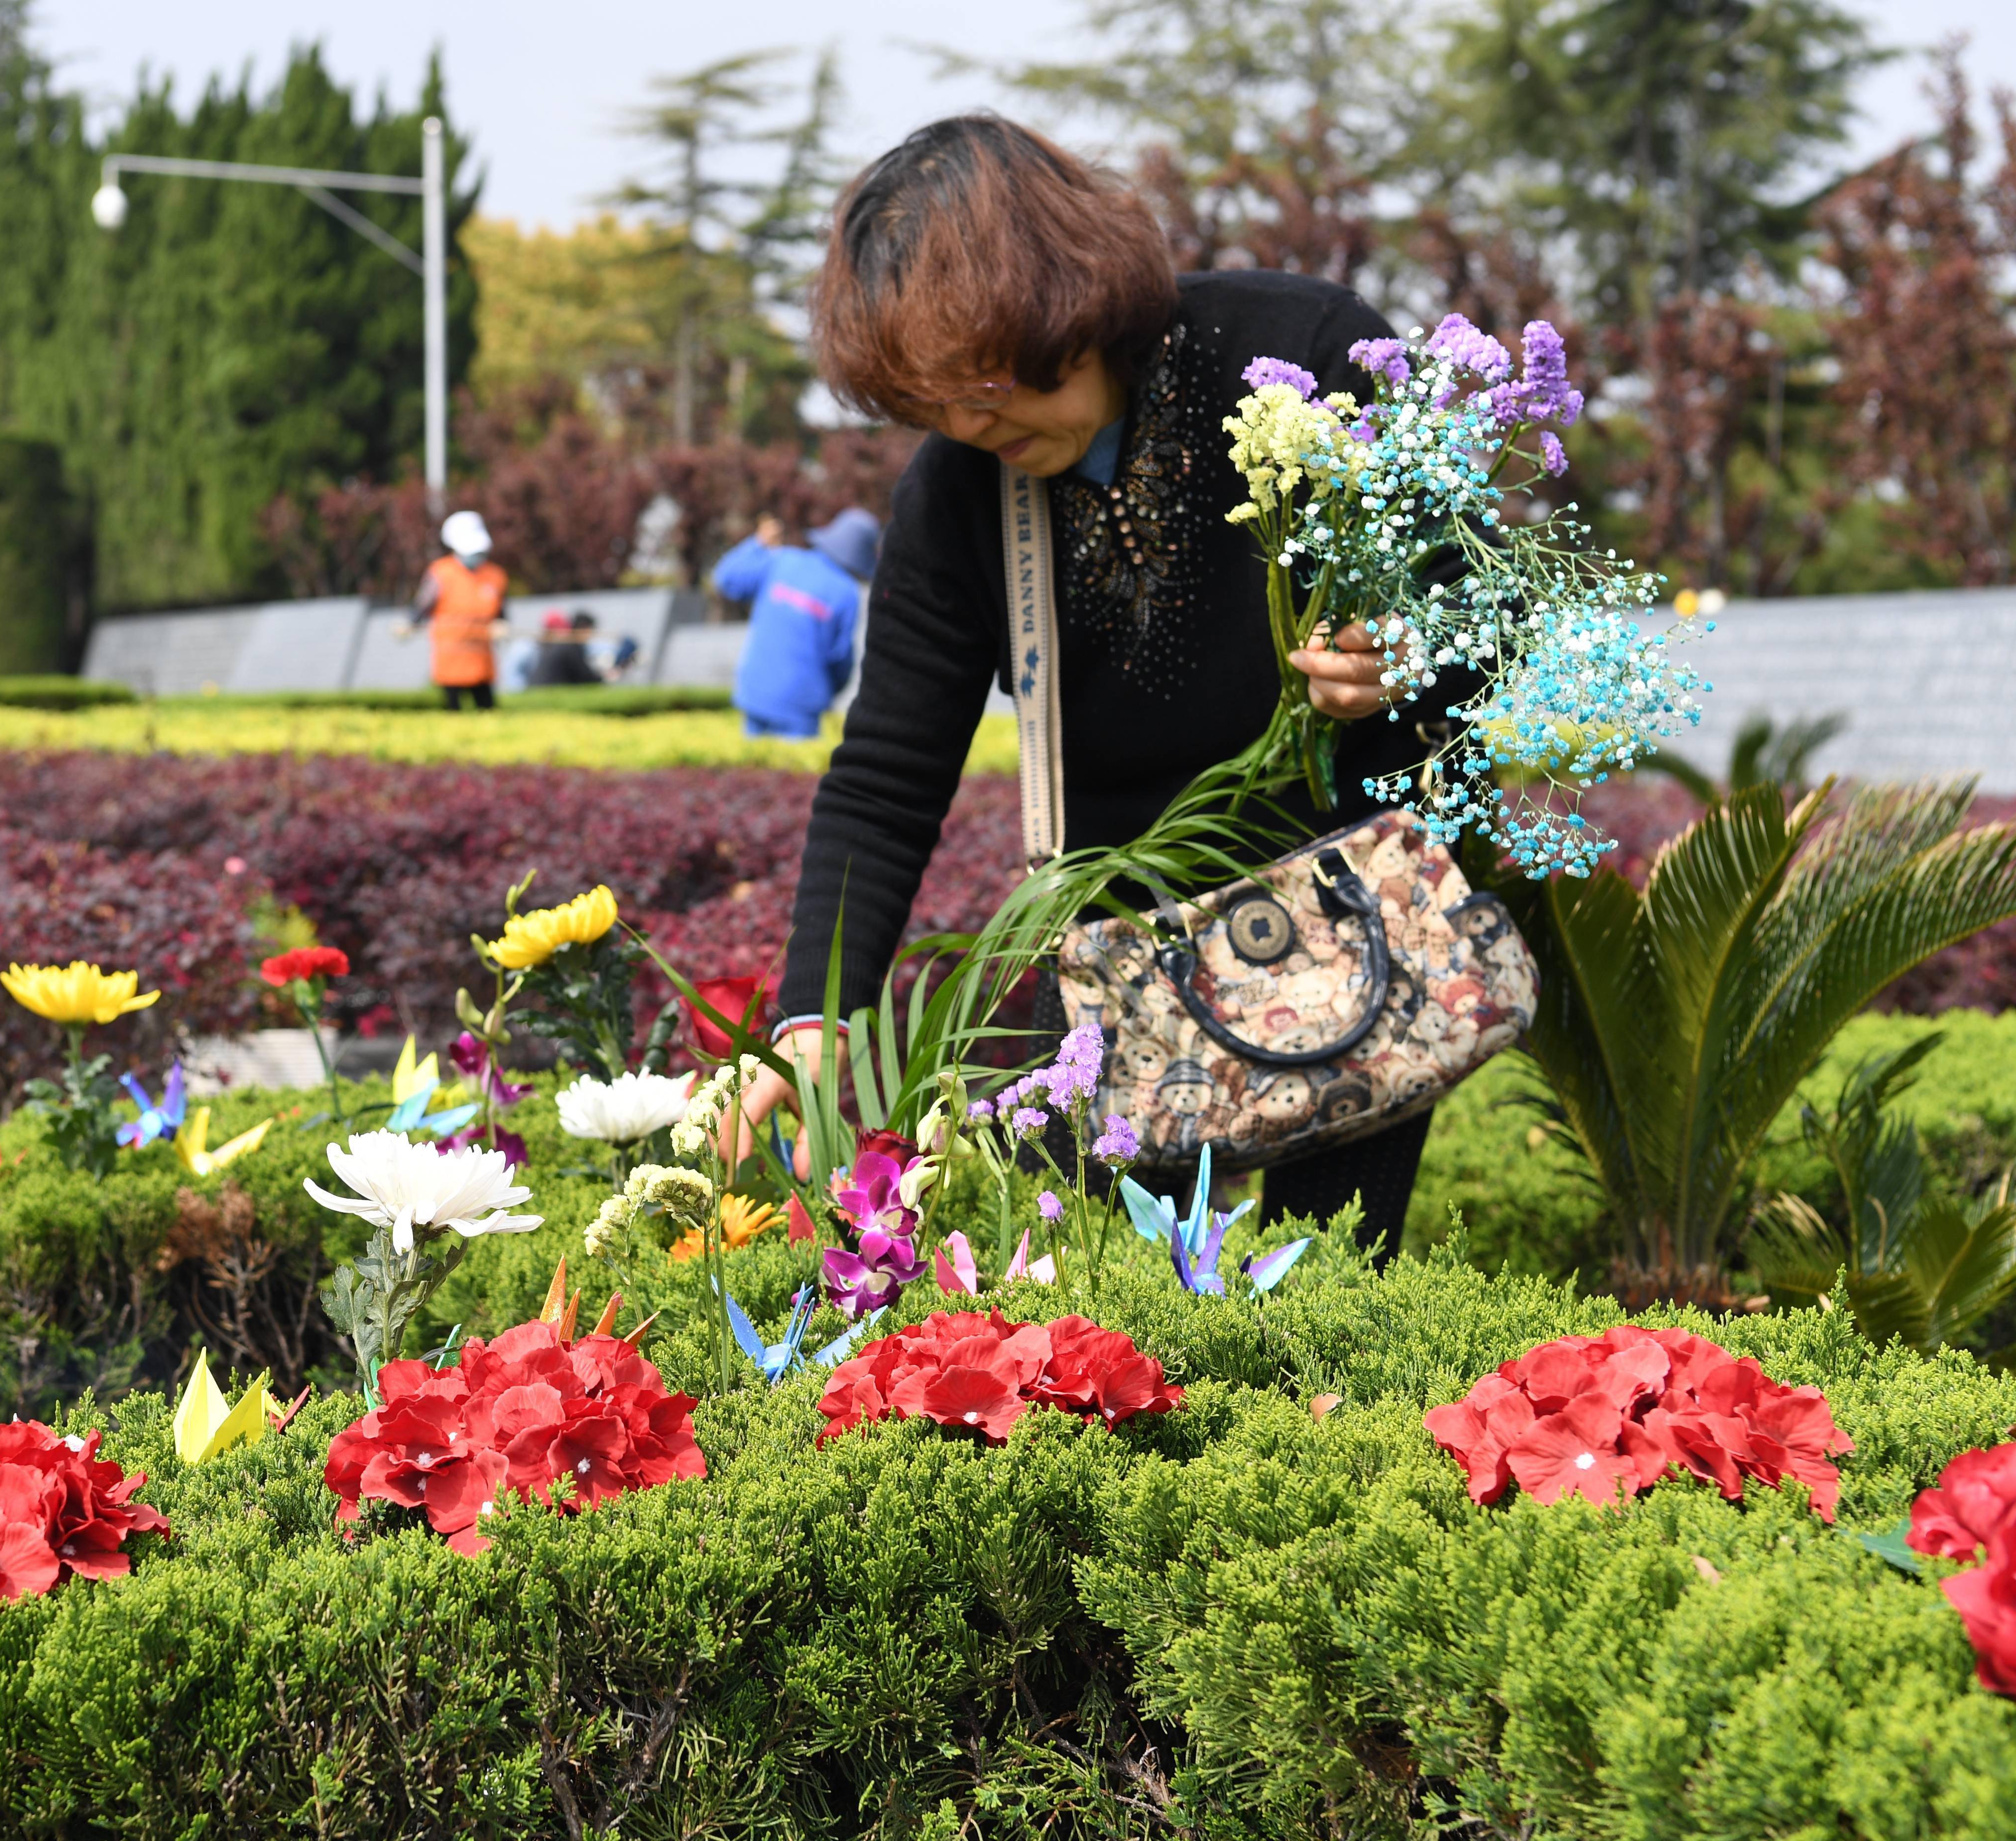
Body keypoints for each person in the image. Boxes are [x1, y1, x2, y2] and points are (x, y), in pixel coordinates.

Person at [734, 115, 1460, 1258]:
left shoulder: (1306, 351)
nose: (973, 430)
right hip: (1119, 966)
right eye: (935, 408)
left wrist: (1402, 655)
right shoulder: (960, 489)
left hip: (1345, 931)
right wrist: (814, 1016)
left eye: (987, 386)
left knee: (1332, 1290)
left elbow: (1474, 614)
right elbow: (885, 773)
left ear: (1065, 303)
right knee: (1086, 1313)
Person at [714, 508, 879, 739]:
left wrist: (758, 543)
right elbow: (840, 656)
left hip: (756, 692)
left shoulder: (784, 561)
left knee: (750, 771)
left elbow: (726, 578)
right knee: (790, 775)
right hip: (802, 705)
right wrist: (830, 691)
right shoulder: (846, 593)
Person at [414, 510, 508, 711]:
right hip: (451, 659)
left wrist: (502, 626)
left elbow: (501, 613)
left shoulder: (495, 576)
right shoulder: (441, 573)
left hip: (482, 659)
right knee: (452, 711)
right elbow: (421, 607)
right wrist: (410, 623)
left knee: (487, 709)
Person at [525, 609, 604, 687]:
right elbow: (586, 677)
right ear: (583, 628)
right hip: (548, 690)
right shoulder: (572, 646)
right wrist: (605, 678)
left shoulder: (559, 645)